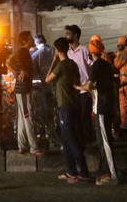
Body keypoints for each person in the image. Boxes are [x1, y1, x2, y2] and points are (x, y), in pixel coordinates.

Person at [46, 36, 90, 184]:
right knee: (66, 139)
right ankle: (71, 171)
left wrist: (53, 61)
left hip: (65, 105)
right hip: (74, 103)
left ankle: (83, 172)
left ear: (57, 51)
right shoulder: (73, 64)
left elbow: (47, 79)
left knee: (71, 139)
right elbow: (77, 83)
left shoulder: (61, 65)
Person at [79, 36, 118, 185]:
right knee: (102, 141)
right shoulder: (106, 65)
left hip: (102, 105)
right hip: (106, 104)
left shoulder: (96, 66)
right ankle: (107, 171)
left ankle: (112, 175)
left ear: (91, 52)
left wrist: (77, 87)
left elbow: (89, 85)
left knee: (105, 142)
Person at [6, 31, 42, 156]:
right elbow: (10, 62)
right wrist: (21, 71)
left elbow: (8, 62)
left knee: (22, 118)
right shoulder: (23, 52)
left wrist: (18, 72)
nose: (33, 40)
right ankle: (33, 147)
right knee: (28, 117)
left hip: (21, 89)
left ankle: (22, 146)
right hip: (24, 89)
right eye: (30, 38)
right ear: (25, 41)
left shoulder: (22, 52)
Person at [65, 24, 93, 141]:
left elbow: (91, 66)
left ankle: (87, 141)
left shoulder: (84, 50)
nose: (66, 36)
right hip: (73, 91)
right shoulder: (67, 52)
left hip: (84, 90)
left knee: (85, 117)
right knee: (75, 118)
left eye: (68, 34)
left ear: (75, 36)